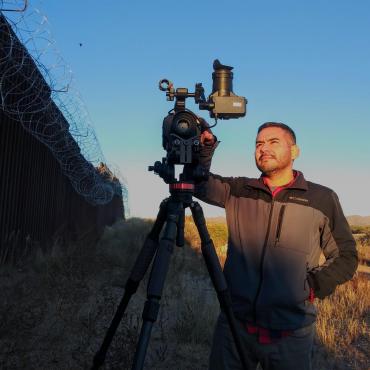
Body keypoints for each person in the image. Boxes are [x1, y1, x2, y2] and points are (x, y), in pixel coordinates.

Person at [195, 121, 358, 370]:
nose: (264, 148)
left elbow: (346, 256)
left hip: (291, 333)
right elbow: (196, 183)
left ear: (294, 151)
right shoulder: (238, 190)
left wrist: (311, 287)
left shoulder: (321, 198)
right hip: (234, 326)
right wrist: (204, 151)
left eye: (273, 142)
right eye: (259, 143)